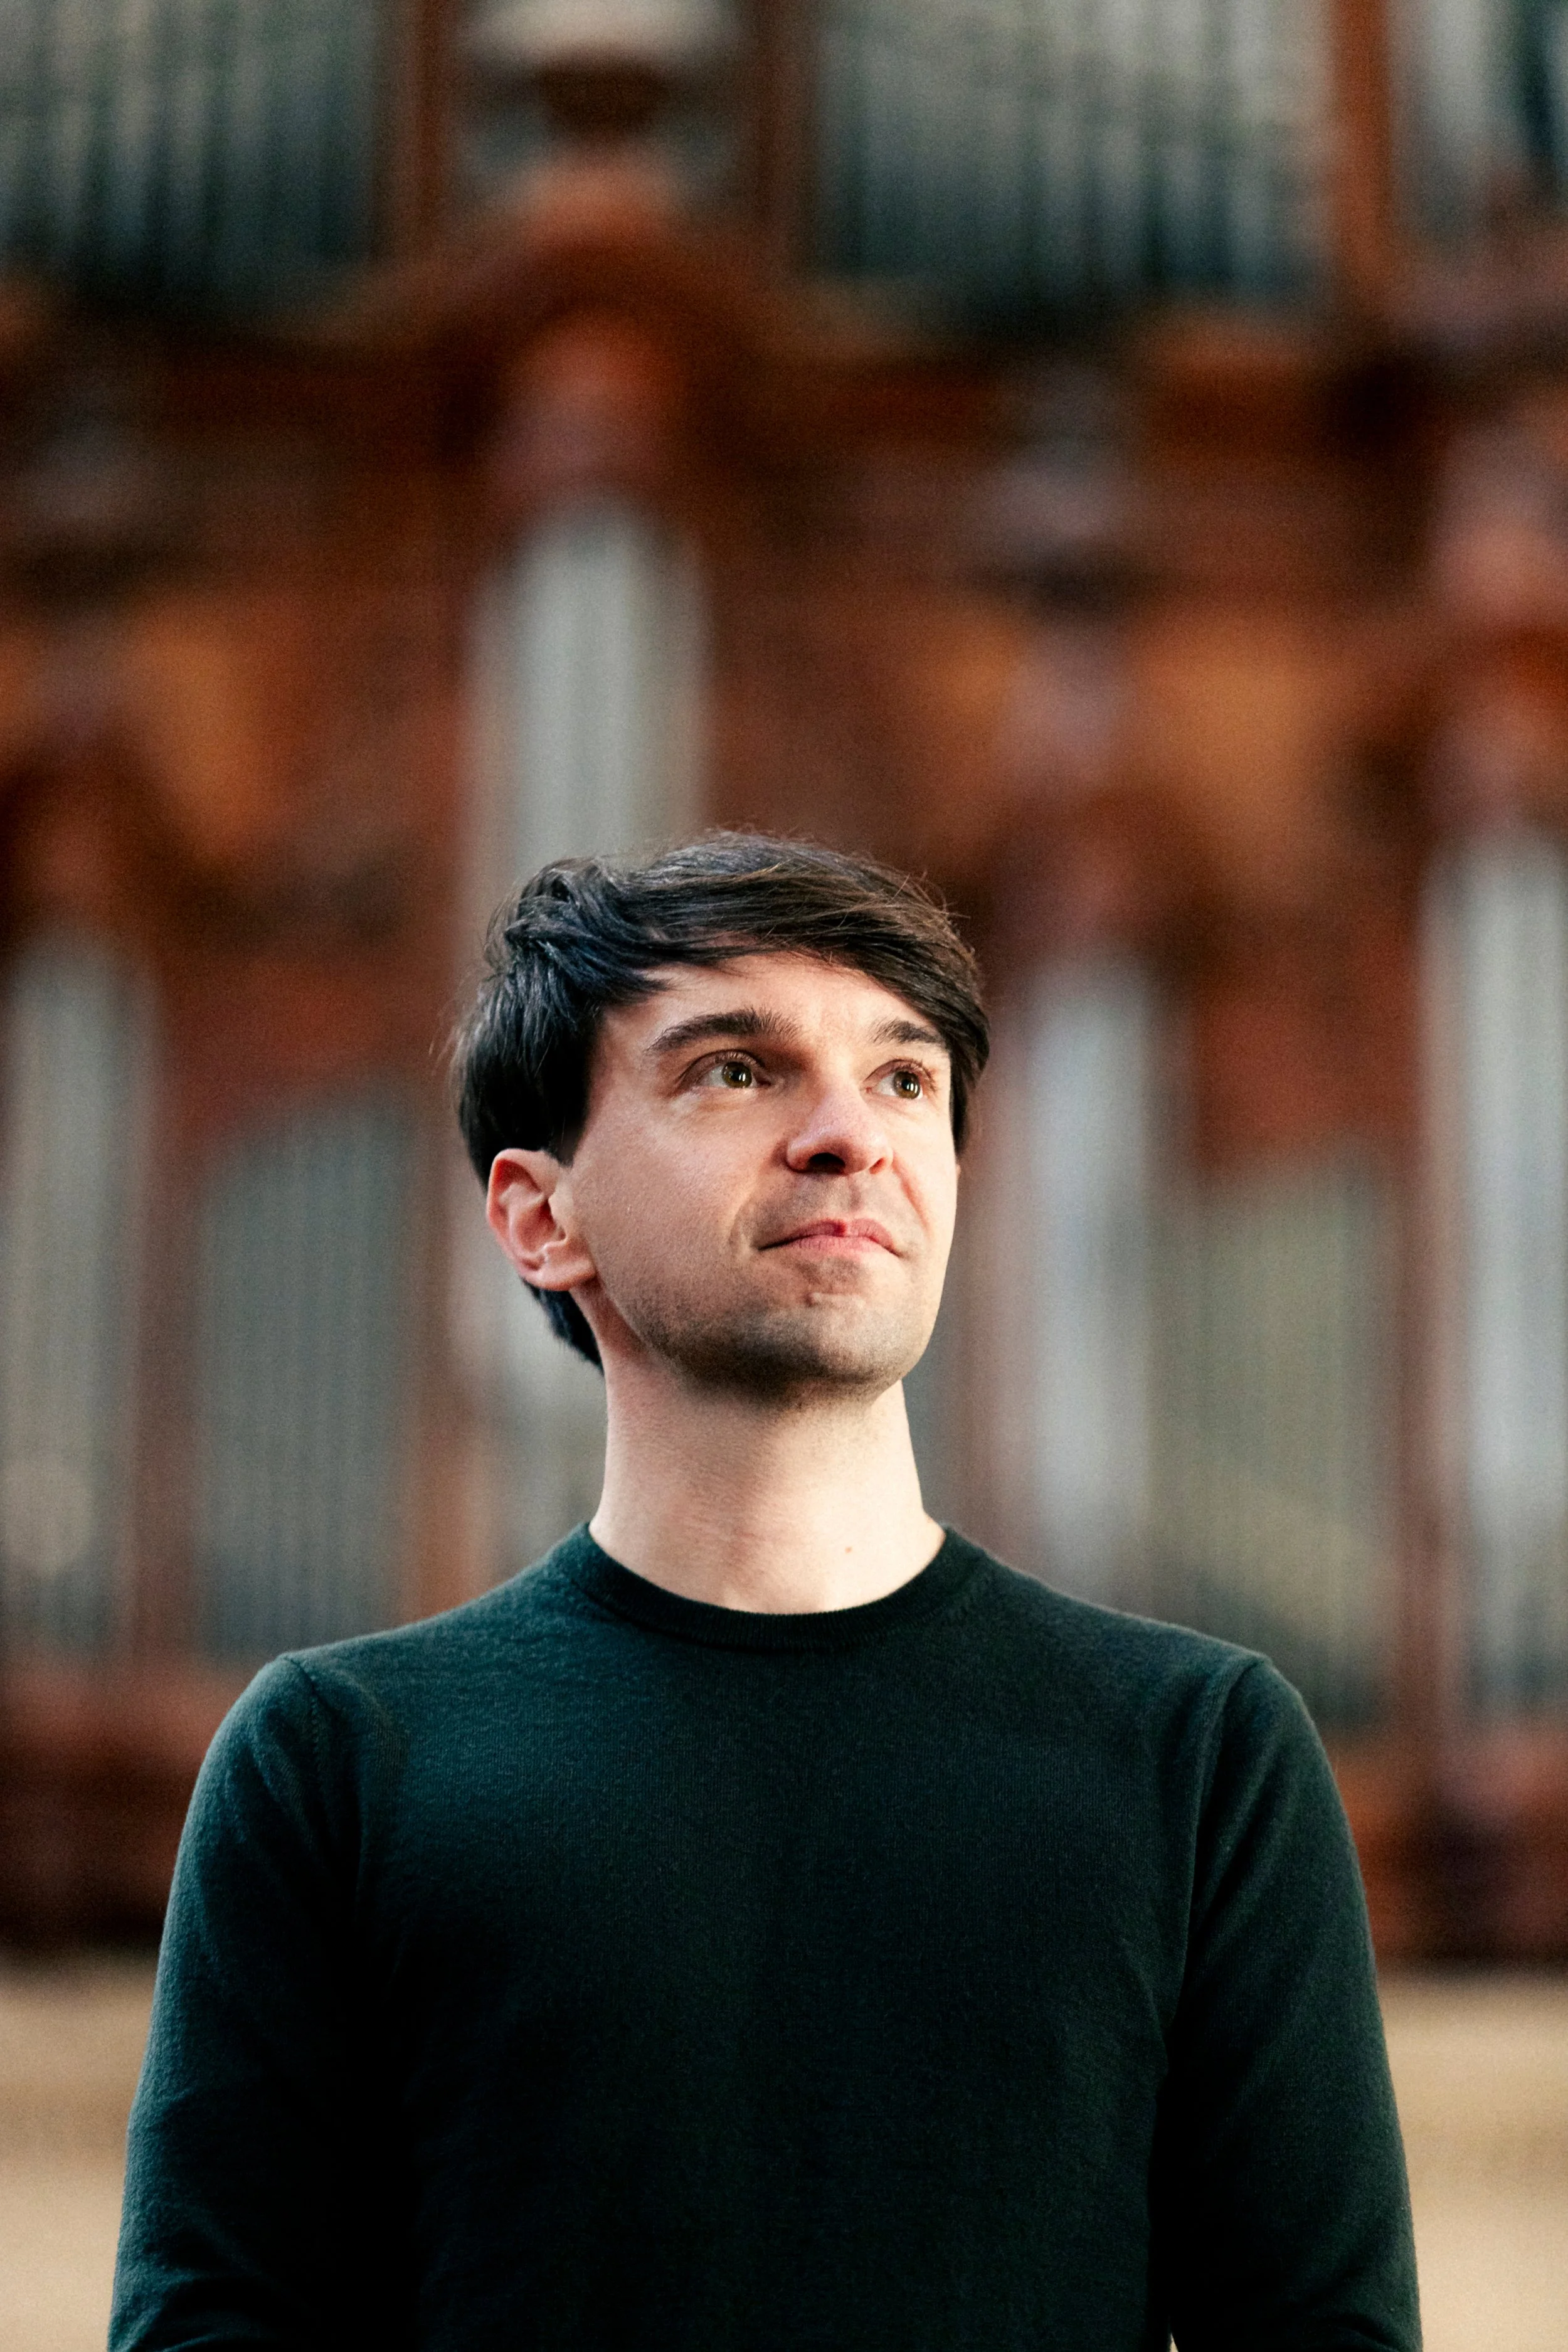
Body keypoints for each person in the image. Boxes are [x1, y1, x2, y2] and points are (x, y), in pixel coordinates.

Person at [111, 833, 1419, 2351]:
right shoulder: (337, 1758)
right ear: (541, 1217)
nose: (845, 1134)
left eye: (903, 1079)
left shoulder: (1199, 1751)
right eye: (737, 1072)